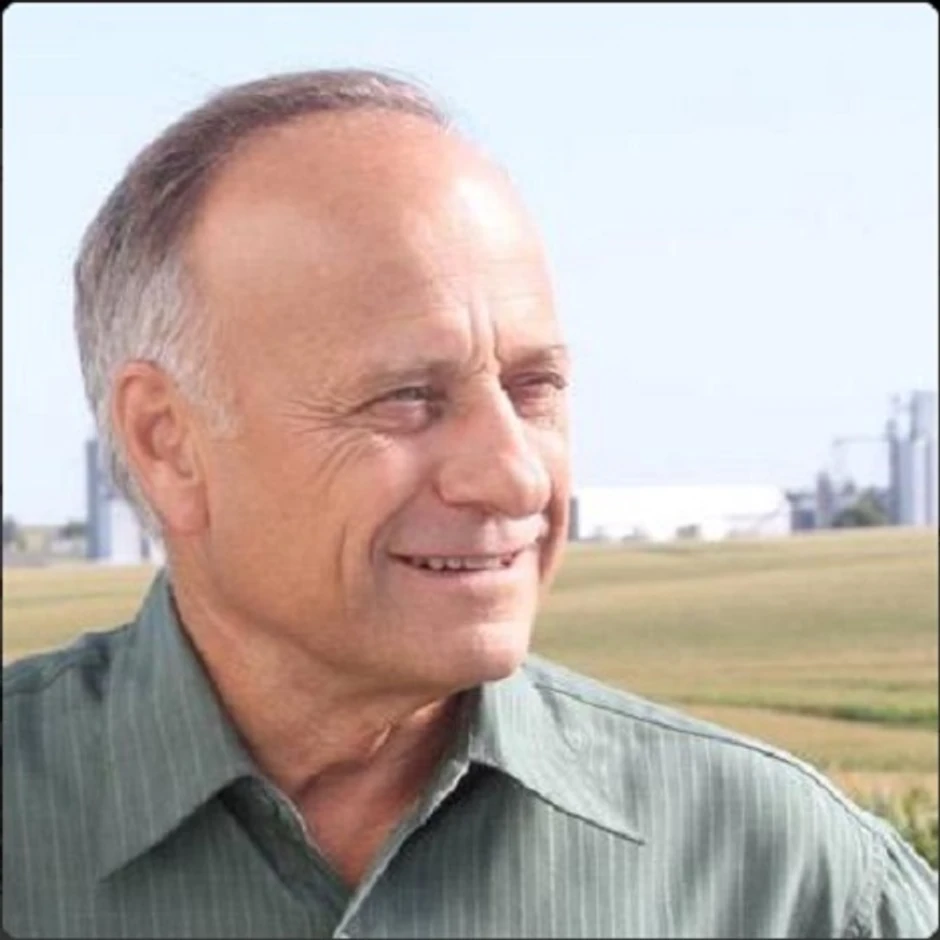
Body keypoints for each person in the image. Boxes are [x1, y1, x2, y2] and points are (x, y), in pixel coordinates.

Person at [2, 69, 936, 940]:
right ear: (167, 440)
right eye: (407, 397)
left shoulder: (783, 878)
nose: (517, 477)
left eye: (535, 388)